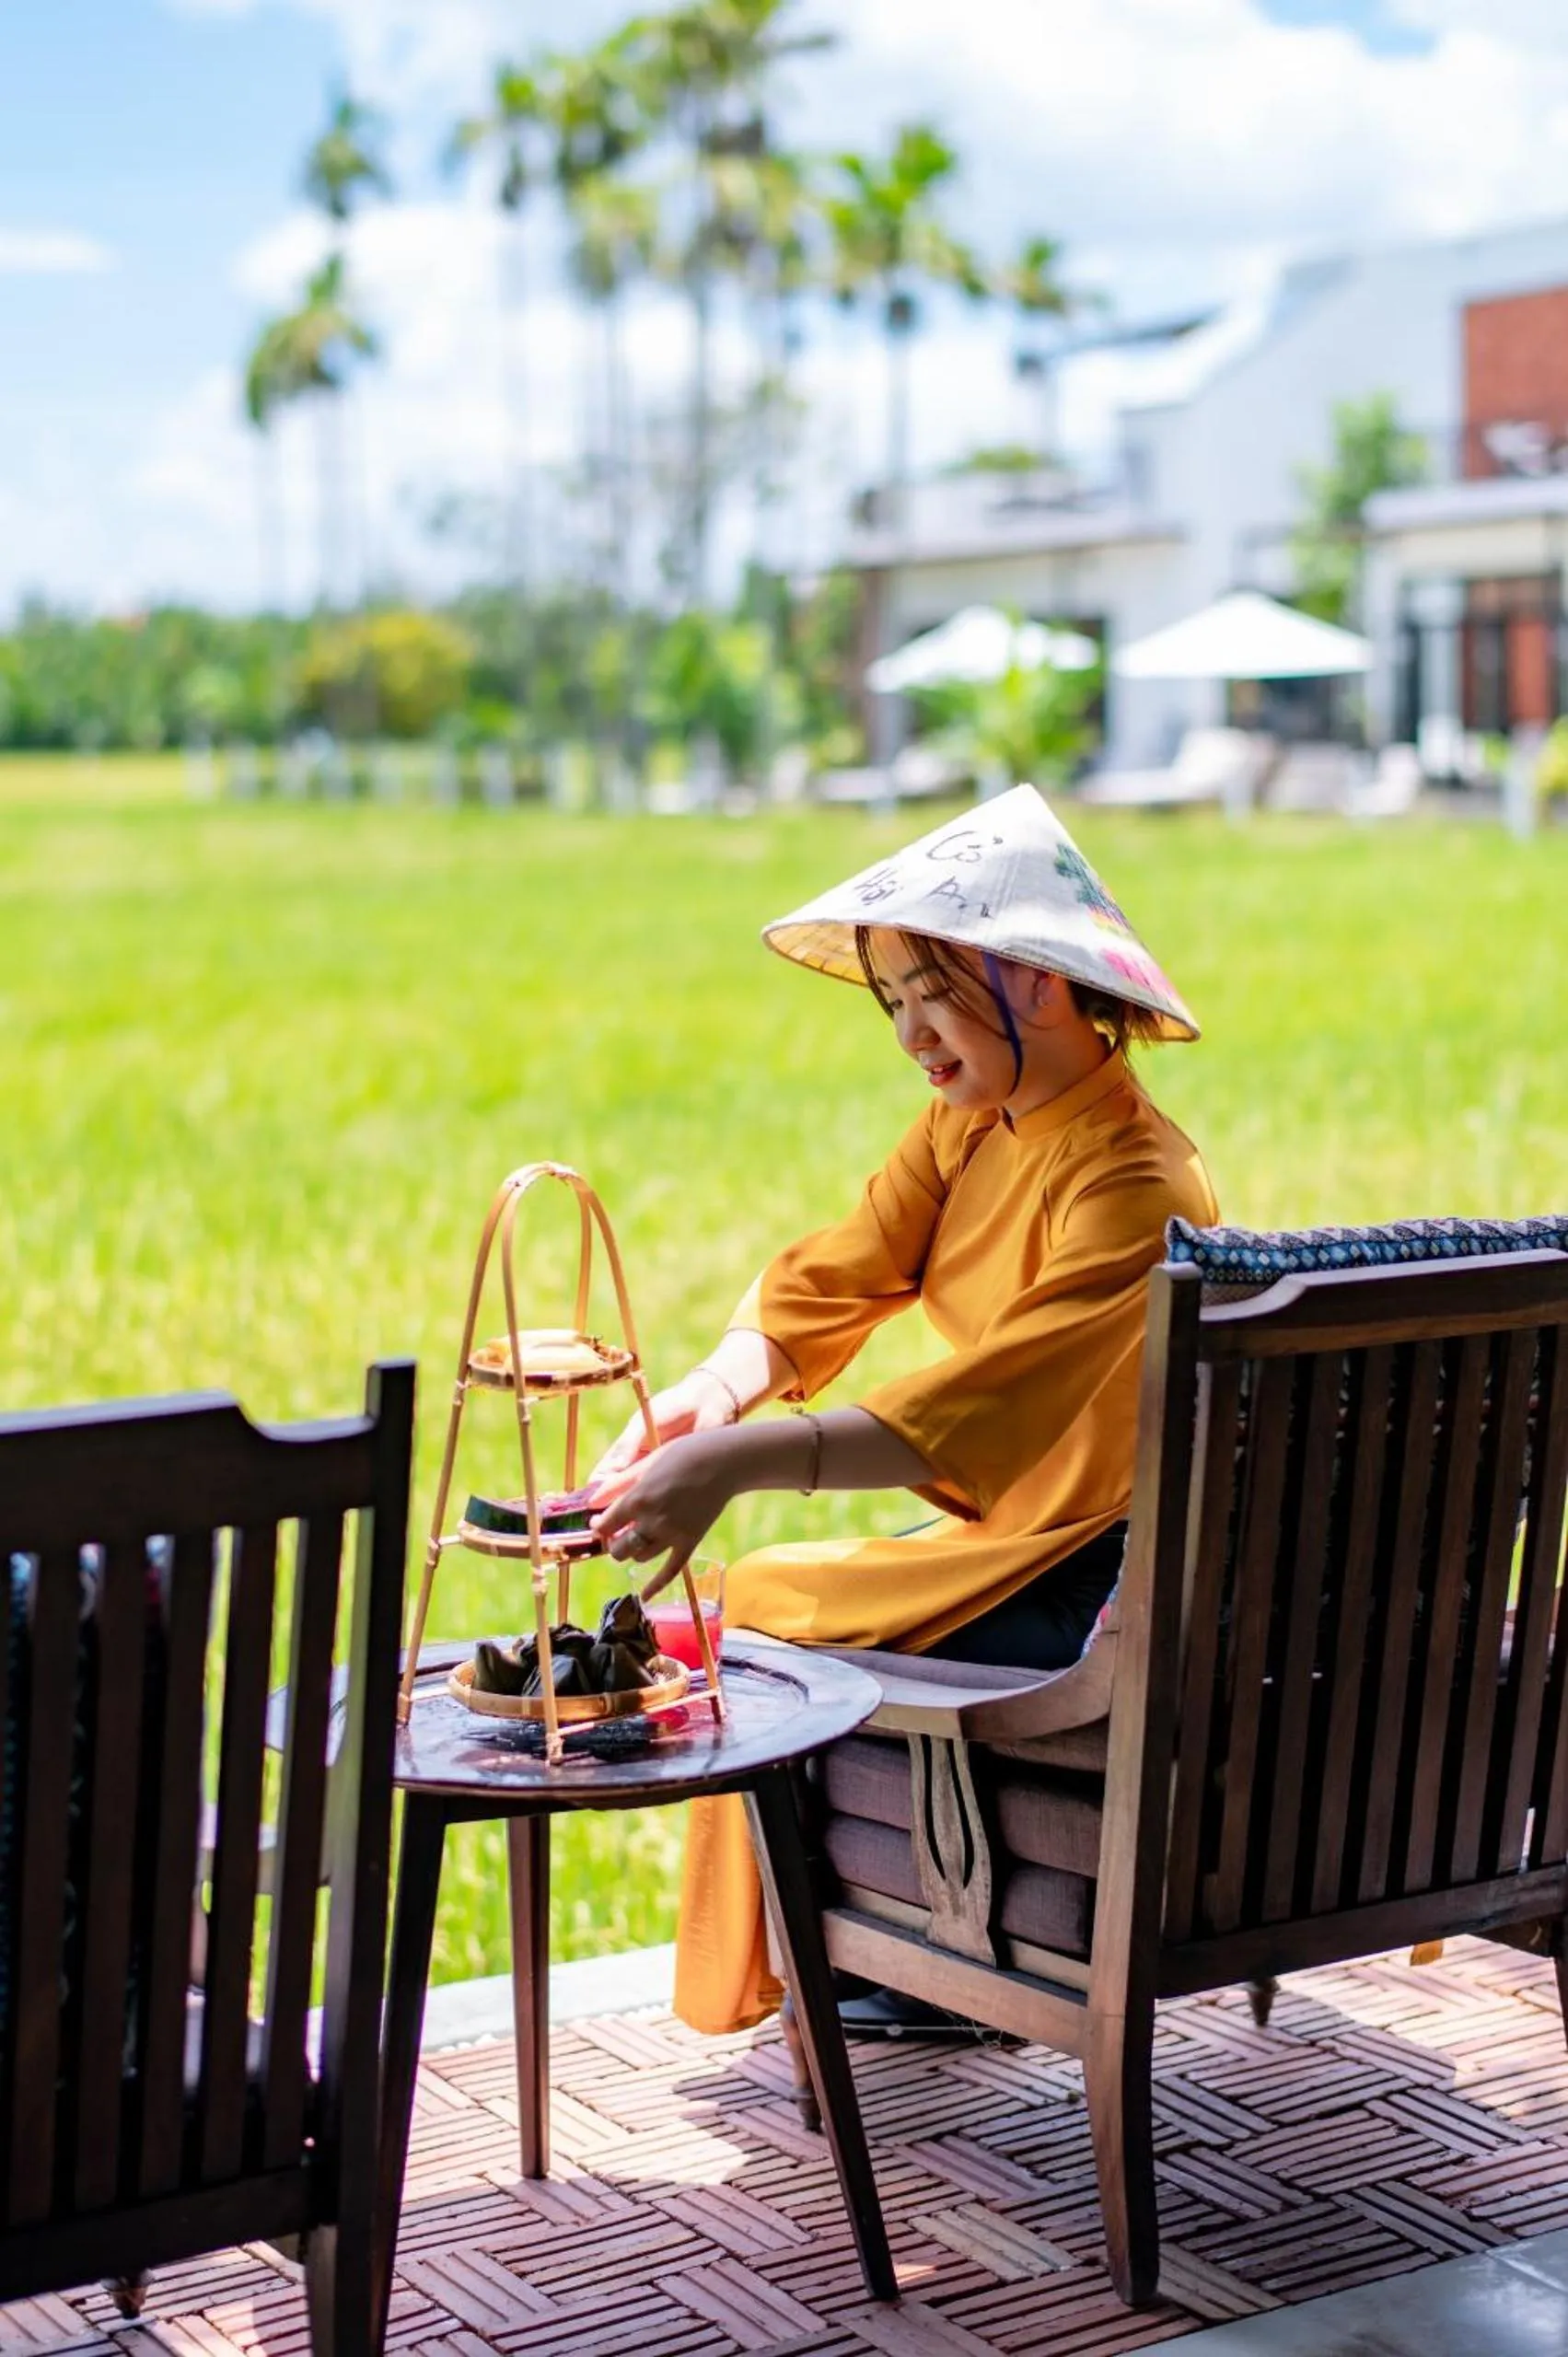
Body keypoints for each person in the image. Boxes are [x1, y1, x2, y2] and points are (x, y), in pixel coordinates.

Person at [589, 784, 1218, 2038]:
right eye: (893, 1005)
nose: (912, 1037)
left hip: (1089, 1567)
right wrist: (711, 1394)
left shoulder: (1131, 1179)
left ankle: (881, 1954)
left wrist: (735, 1465)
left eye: (932, 994)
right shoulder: (967, 1128)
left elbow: (985, 1406)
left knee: (761, 1603)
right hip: (1024, 1534)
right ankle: (879, 1946)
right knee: (771, 1597)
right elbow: (848, 1265)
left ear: (1034, 981)